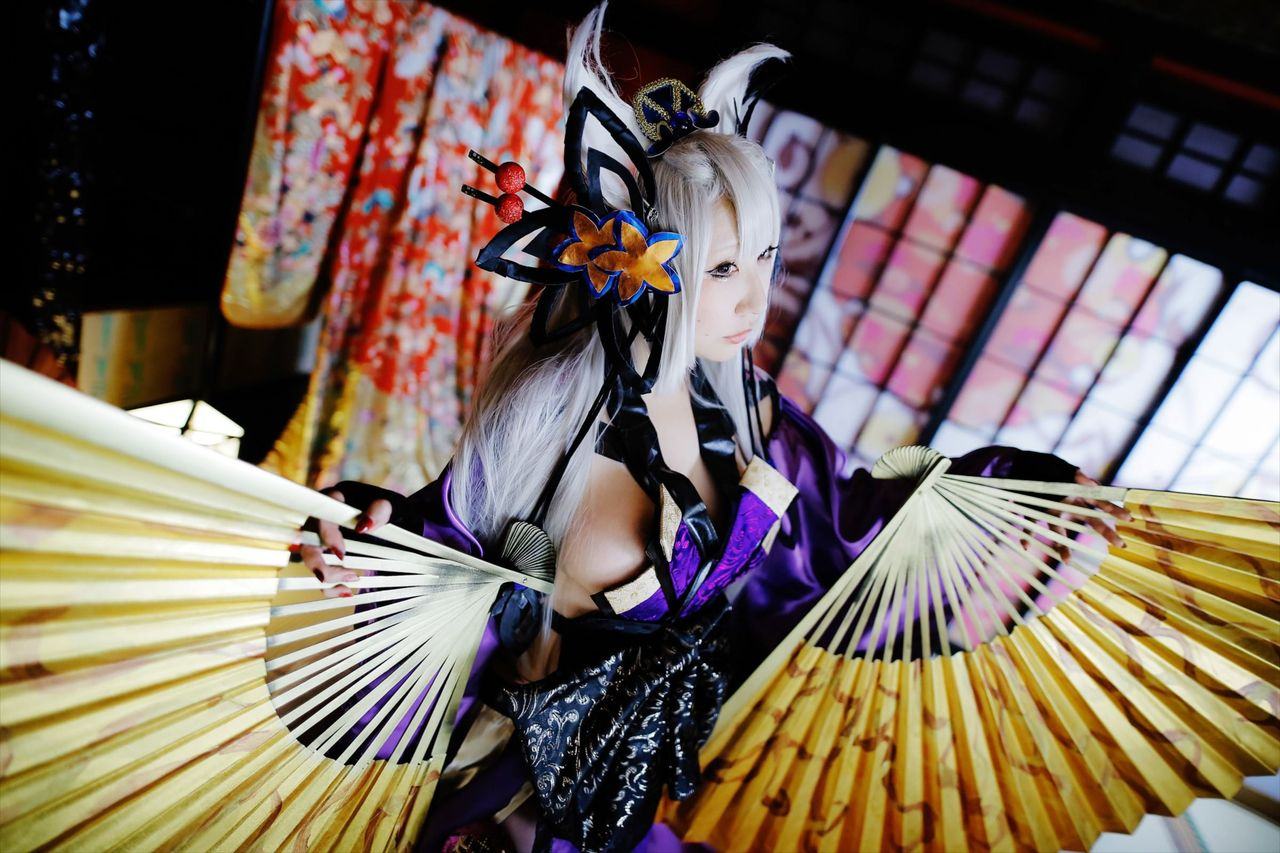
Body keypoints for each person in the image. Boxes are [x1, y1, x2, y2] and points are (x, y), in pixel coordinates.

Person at [299, 5, 1131, 851]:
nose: (754, 298)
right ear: (636, 267)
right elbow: (436, 557)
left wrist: (1022, 498)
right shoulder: (544, 424)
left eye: (764, 256)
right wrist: (362, 557)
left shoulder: (751, 416)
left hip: (664, 787)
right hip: (519, 808)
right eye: (723, 266)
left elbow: (856, 539)